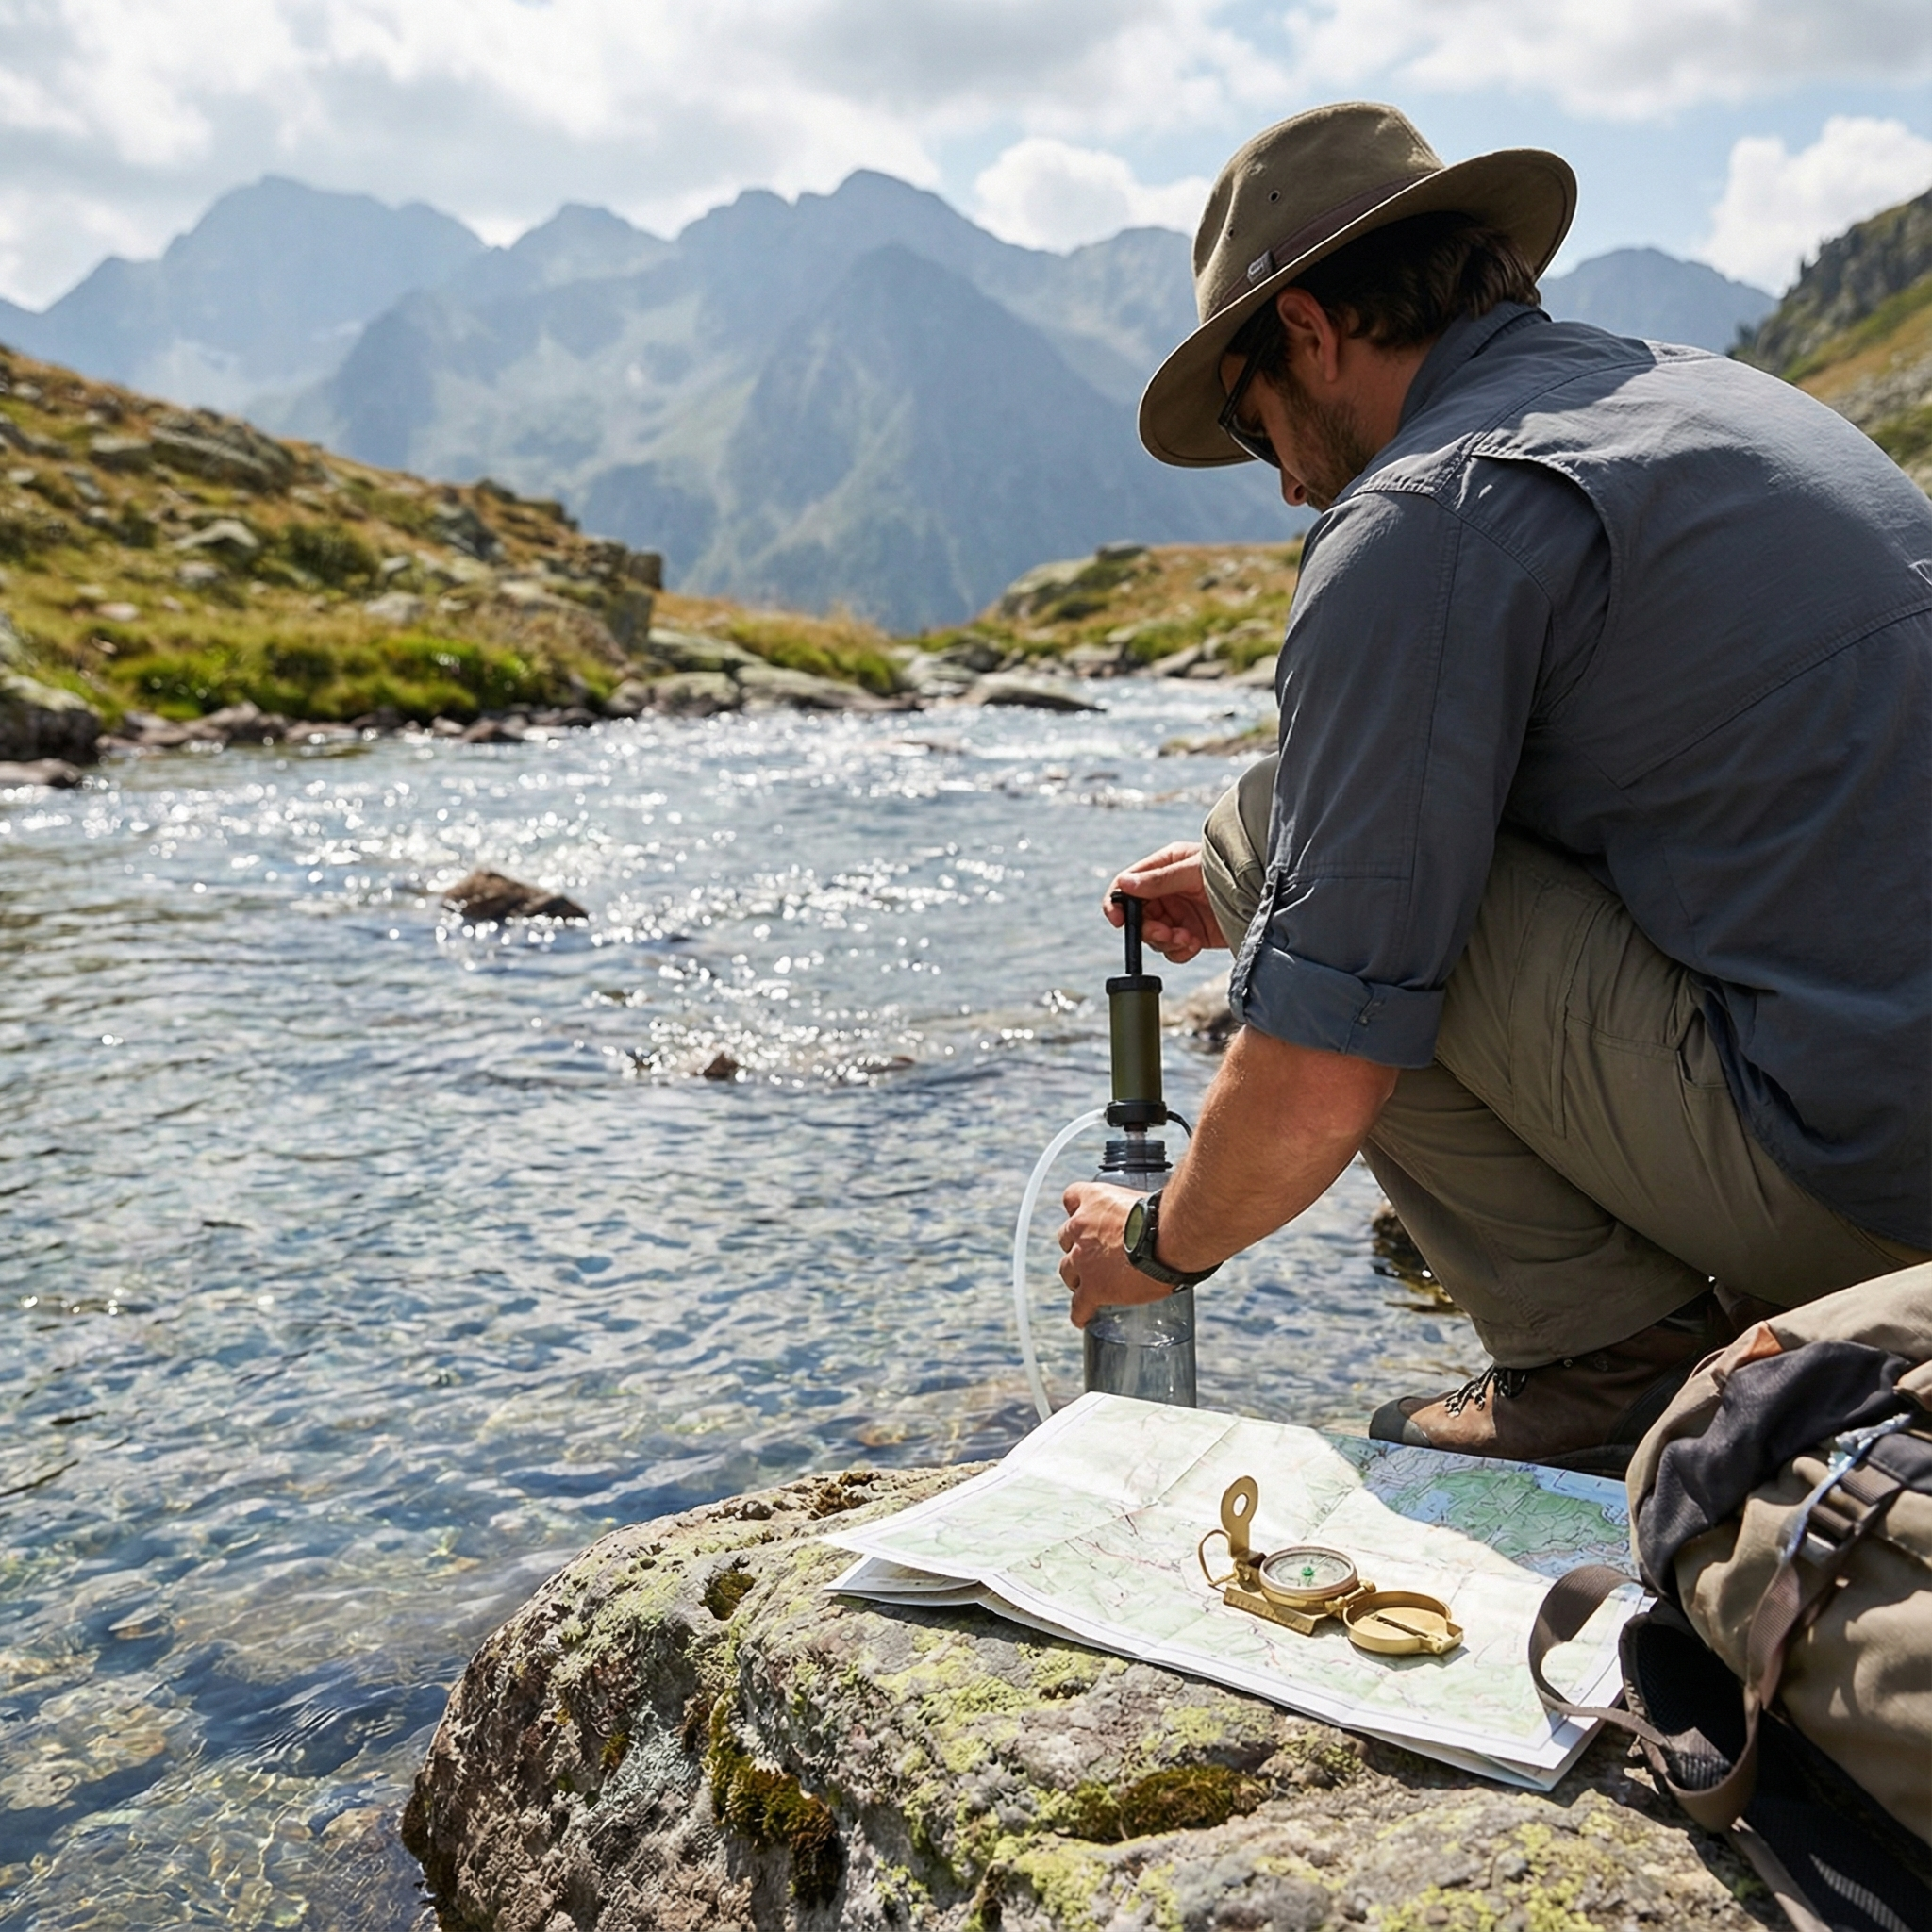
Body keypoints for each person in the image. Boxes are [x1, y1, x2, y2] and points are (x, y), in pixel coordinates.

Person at [1055, 101, 1932, 1473]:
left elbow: (1325, 1061)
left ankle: (1605, 1372)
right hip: (1891, 1107)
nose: (1282, 485)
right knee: (1290, 850)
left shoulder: (1422, 512)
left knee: (1267, 825)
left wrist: (1159, 1246)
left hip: (1880, 1207)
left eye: (1251, 425)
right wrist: (1276, 893)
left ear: (1309, 332)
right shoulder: (1697, 398)